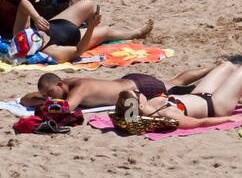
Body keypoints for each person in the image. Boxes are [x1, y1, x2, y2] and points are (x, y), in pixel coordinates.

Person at [119, 60, 242, 129]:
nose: (138, 91)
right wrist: (227, 119)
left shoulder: (150, 105)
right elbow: (198, 122)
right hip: (216, 106)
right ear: (140, 105)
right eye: (136, 93)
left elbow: (128, 116)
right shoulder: (166, 114)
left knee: (228, 67)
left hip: (201, 95)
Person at [23, 61, 224, 110]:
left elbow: (65, 109)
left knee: (178, 84)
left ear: (59, 83)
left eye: (51, 93)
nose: (51, 97)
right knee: (174, 81)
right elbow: (26, 98)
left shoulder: (79, 89)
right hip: (128, 80)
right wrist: (42, 97)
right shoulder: (63, 85)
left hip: (140, 87)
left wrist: (42, 102)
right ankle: (215, 68)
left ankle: (217, 69)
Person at [10, 0, 153, 63]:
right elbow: (79, 51)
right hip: (75, 36)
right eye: (36, 38)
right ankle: (137, 32)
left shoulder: (19, 37)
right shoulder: (51, 51)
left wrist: (35, 17)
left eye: (33, 32)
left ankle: (93, 22)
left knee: (89, 4)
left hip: (59, 23)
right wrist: (91, 28)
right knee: (106, 31)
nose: (38, 34)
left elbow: (23, 2)